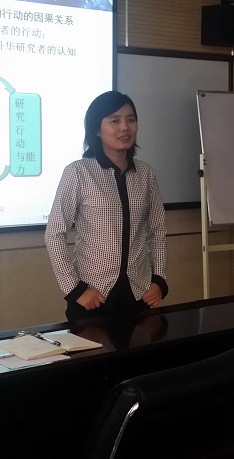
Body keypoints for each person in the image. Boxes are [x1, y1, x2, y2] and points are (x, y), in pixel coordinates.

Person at [44, 91, 168, 322]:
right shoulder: (78, 172)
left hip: (139, 292)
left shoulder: (146, 173)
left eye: (131, 119)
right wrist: (75, 289)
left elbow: (157, 231)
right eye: (114, 120)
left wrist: (159, 280)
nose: (125, 127)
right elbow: (54, 234)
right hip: (93, 294)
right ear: (97, 129)